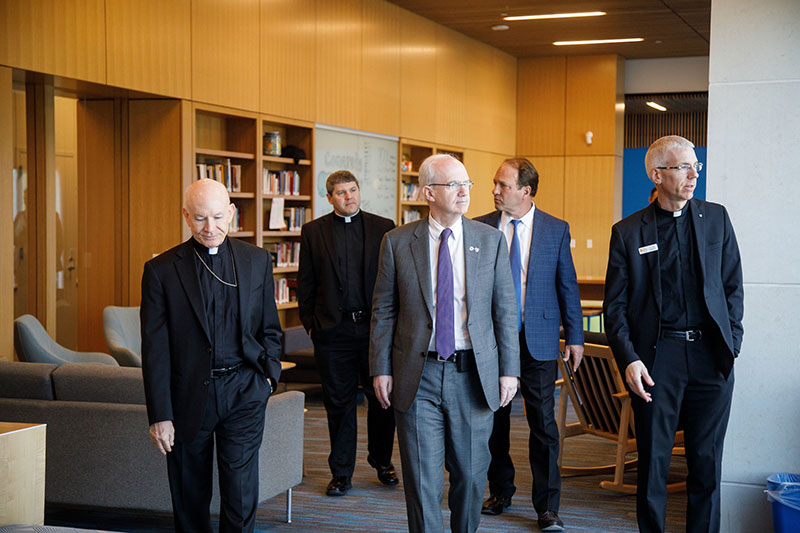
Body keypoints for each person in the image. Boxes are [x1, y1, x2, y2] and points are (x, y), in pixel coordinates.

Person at [370, 153, 520, 532]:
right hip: (416, 375)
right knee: (422, 481)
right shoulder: (397, 242)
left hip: (472, 375)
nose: (464, 192)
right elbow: (384, 311)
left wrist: (509, 372)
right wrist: (381, 369)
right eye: (453, 185)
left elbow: (505, 311)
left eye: (466, 183)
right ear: (428, 193)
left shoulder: (491, 241)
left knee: (470, 478)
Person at [604, 135, 743, 533]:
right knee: (654, 462)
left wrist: (732, 342)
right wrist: (629, 358)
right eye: (683, 166)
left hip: (711, 356)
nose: (693, 174)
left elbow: (732, 285)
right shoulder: (628, 232)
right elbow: (614, 307)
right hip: (656, 358)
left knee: (706, 462)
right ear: (657, 174)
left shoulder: (716, 217)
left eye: (695, 166)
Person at [141, 178, 283, 532]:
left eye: (218, 217)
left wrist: (268, 376)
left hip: (245, 389)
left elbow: (269, 326)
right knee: (190, 494)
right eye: (201, 218)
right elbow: (155, 349)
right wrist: (160, 415)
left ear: (232, 213)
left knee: (241, 492)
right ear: (186, 217)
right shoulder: (161, 271)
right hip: (189, 395)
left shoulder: (257, 260)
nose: (210, 228)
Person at [475, 157, 584, 531]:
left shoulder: (555, 229)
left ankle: (547, 507)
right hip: (491, 342)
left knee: (543, 426)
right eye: (495, 183)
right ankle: (500, 491)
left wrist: (576, 335)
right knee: (495, 421)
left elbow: (567, 285)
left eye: (503, 185)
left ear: (526, 190)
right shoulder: (480, 228)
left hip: (536, 340)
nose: (495, 191)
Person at [297, 170, 398, 496]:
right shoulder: (313, 231)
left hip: (375, 331)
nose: (349, 197)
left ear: (359, 191)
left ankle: (382, 461)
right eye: (341, 193)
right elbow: (306, 283)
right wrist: (312, 325)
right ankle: (341, 472)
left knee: (382, 400)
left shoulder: (384, 227)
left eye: (352, 190)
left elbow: (395, 283)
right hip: (333, 332)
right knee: (338, 405)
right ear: (329, 197)